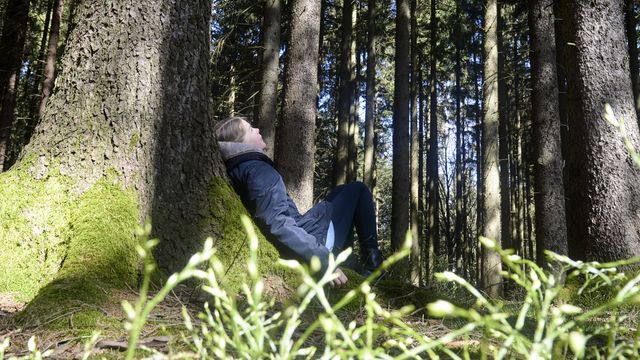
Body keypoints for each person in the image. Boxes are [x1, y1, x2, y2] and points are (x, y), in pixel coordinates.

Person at [215, 116, 384, 288]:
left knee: (342, 192)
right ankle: (374, 268)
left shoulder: (242, 167)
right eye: (251, 130)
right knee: (358, 190)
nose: (257, 130)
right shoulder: (257, 169)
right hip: (314, 241)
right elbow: (277, 222)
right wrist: (324, 260)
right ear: (241, 143)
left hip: (306, 235)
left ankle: (351, 263)